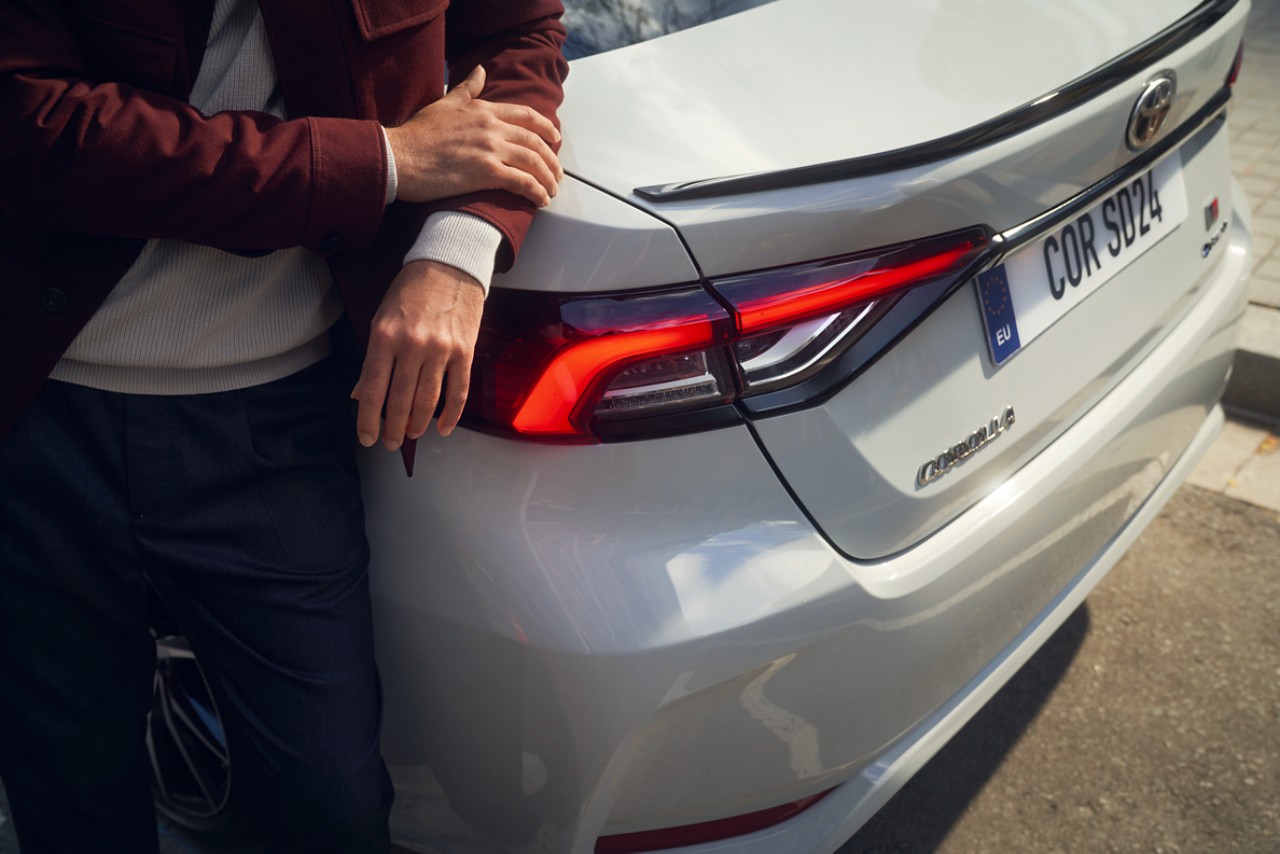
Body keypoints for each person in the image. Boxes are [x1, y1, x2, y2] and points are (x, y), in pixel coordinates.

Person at [0, 1, 568, 851]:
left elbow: (520, 35)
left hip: (281, 422)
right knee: (69, 806)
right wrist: (379, 163)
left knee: (327, 812)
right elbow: (32, 126)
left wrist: (457, 249)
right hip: (41, 411)